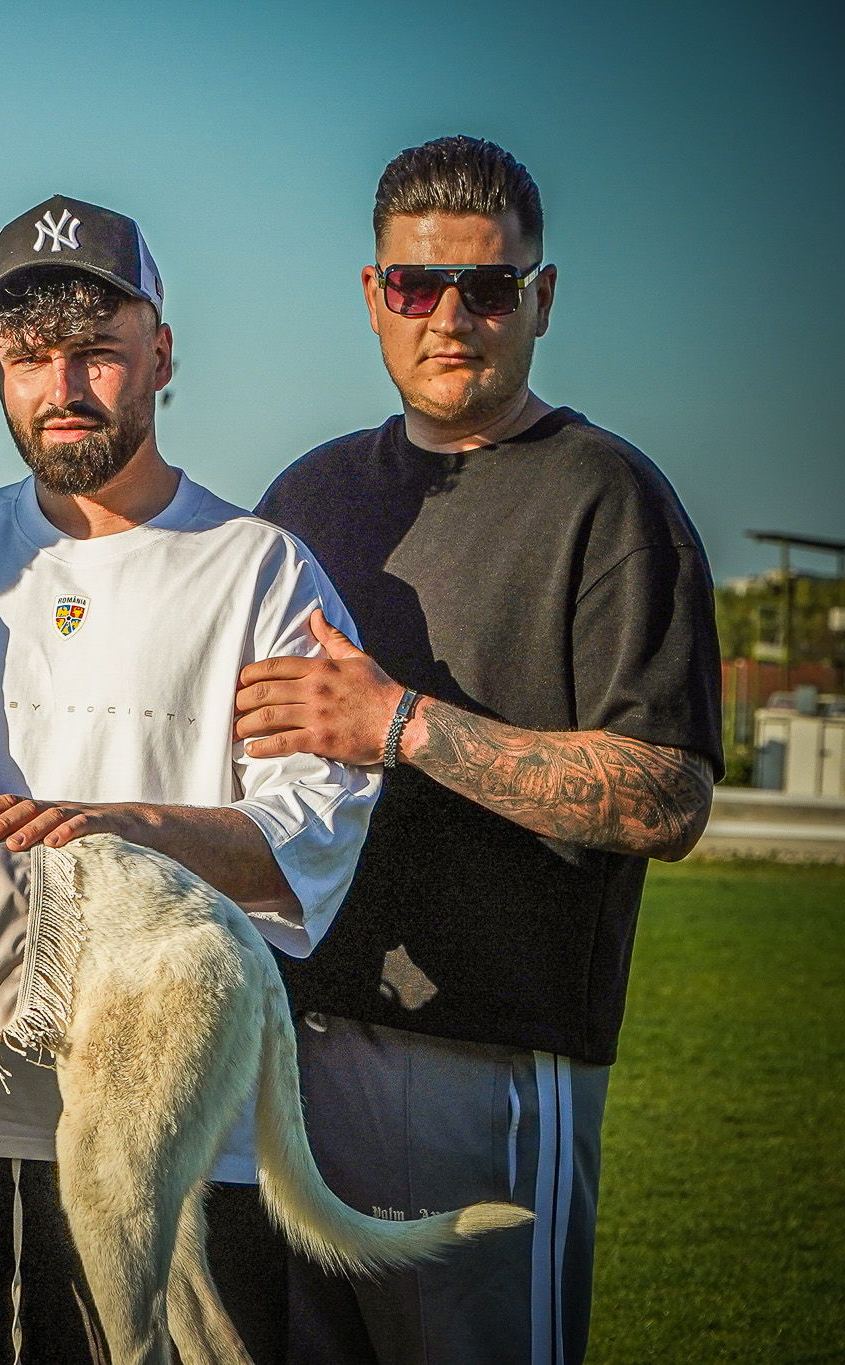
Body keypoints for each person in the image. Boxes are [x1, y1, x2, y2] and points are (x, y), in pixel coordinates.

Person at [0, 196, 379, 1365]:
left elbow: (308, 834)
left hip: (179, 1131)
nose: (62, 386)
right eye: (29, 357)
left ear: (161, 355)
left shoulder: (258, 571)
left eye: (95, 351)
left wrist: (108, 829)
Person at [236, 136, 721, 1365]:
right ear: (372, 294)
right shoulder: (305, 498)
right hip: (283, 1047)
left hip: (489, 1060)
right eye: (416, 285)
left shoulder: (606, 497)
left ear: (539, 298)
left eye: (488, 287)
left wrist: (400, 725)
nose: (449, 318)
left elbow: (665, 795)